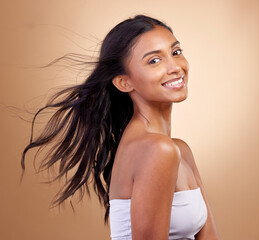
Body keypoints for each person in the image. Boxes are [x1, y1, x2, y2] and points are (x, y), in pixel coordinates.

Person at [21, 15, 219, 240]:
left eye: (175, 52)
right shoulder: (157, 150)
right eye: (154, 61)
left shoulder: (179, 150)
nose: (175, 67)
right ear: (124, 82)